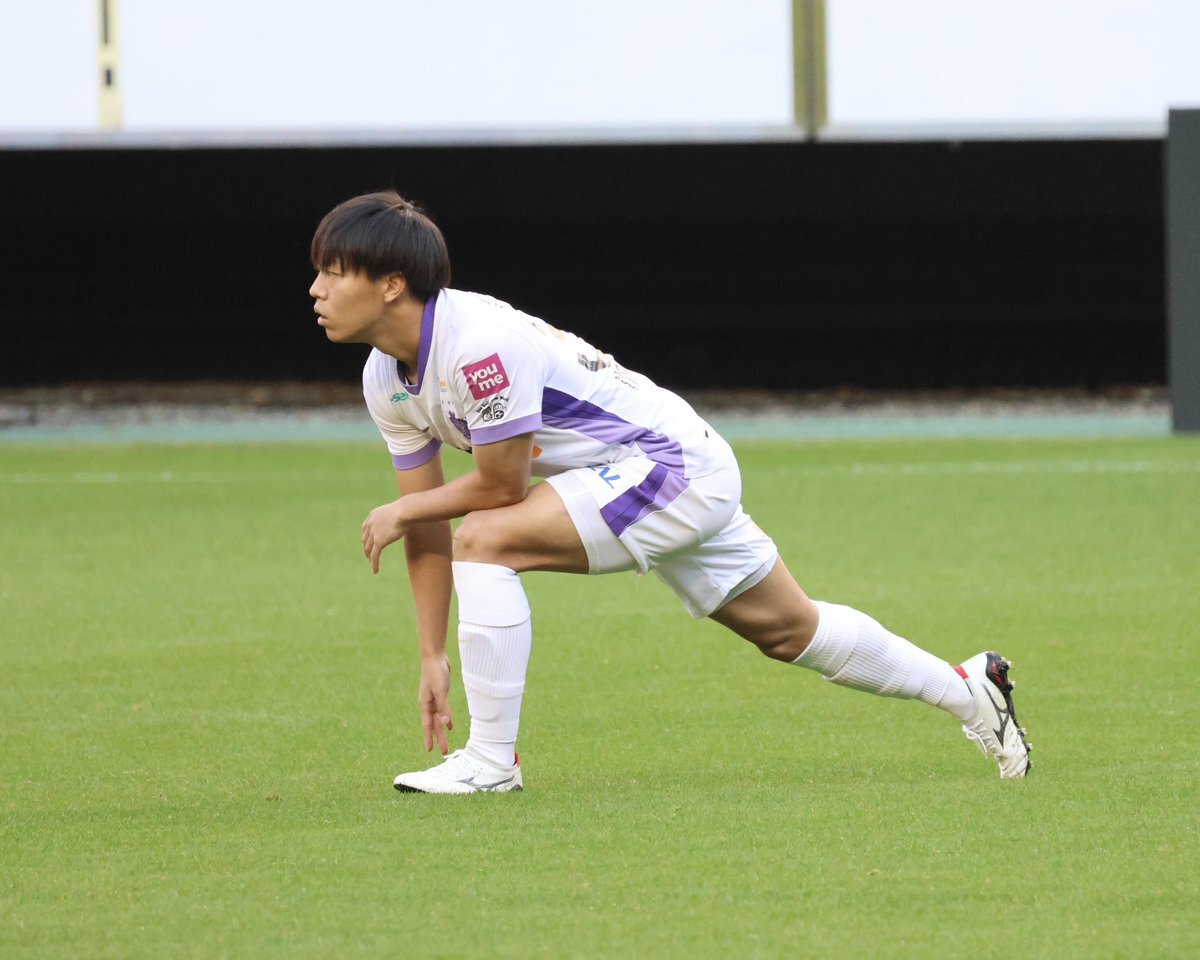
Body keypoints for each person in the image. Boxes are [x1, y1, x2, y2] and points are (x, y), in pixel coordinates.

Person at [308, 190, 1032, 794]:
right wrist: (430, 653)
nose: (316, 290)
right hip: (651, 469)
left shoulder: (477, 346)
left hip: (669, 465)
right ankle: (969, 689)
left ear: (392, 284)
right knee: (789, 630)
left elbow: (499, 486)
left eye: (333, 272)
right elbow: (428, 527)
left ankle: (493, 764)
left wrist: (405, 508)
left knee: (487, 539)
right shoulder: (384, 377)